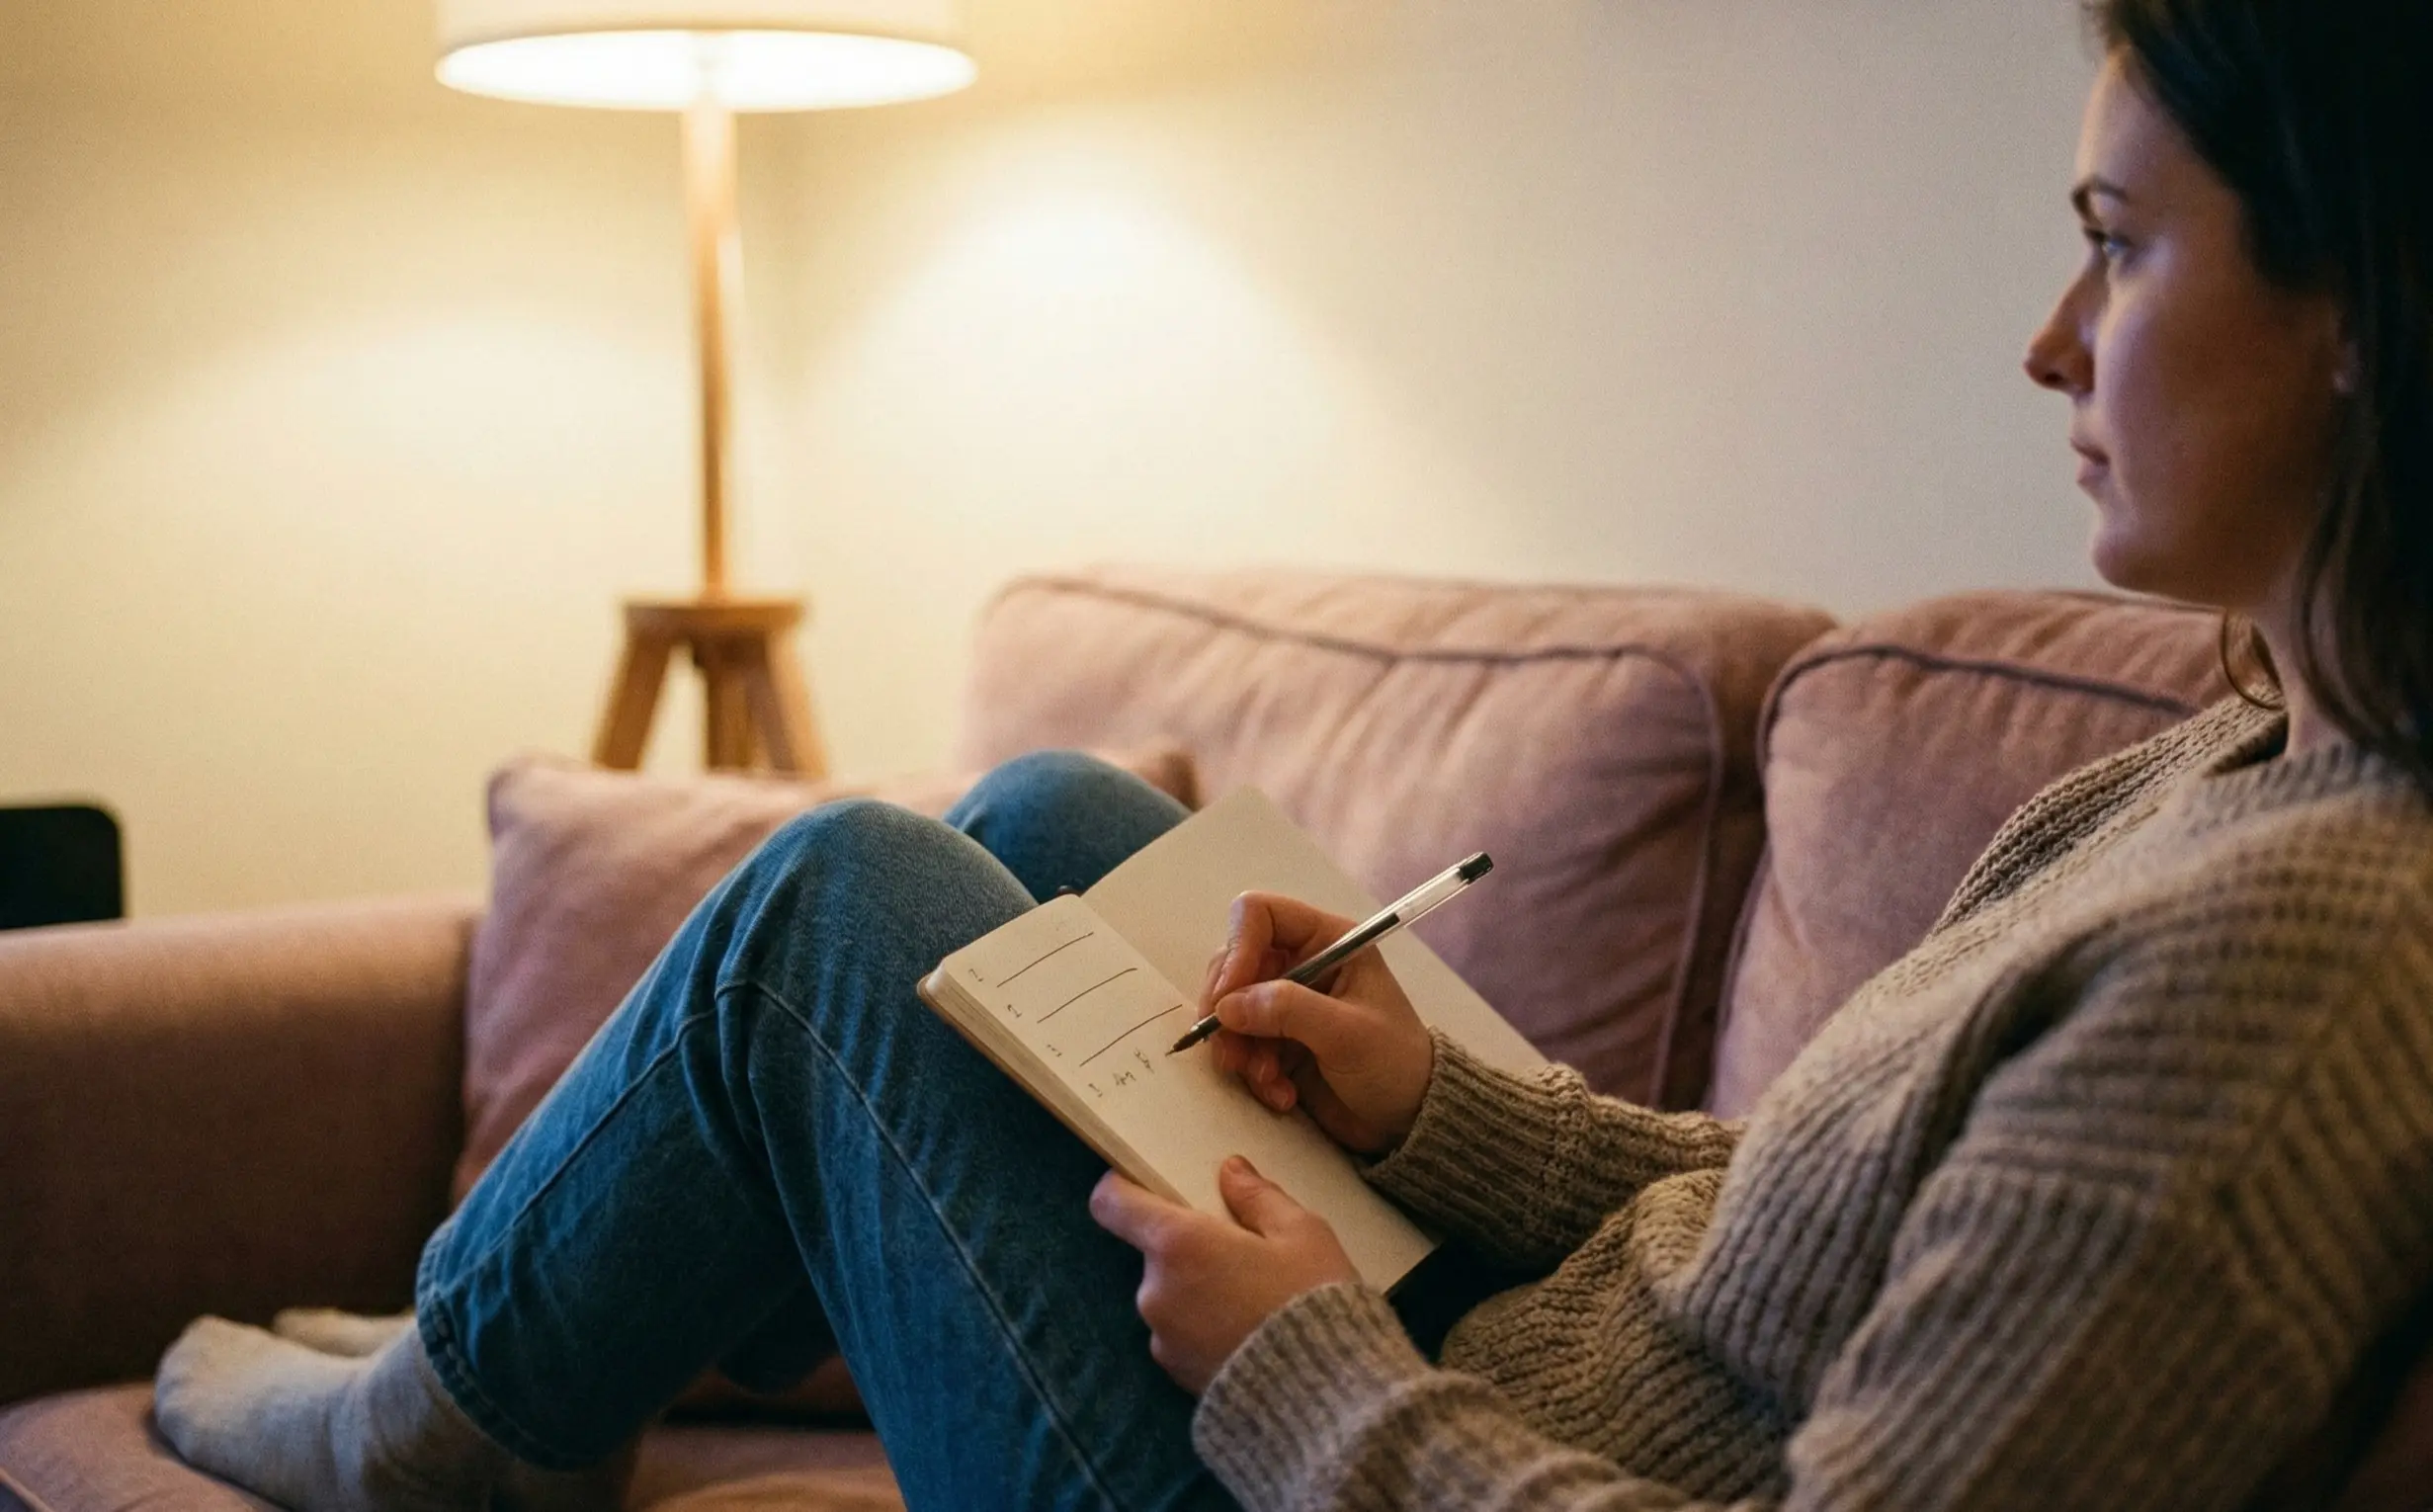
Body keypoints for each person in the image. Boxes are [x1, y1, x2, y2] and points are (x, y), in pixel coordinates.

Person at [153, 0, 2433, 1507]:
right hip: (1482, 1386)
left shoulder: (2288, 967)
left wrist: (1313, 1377)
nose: (2051, 343)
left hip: (1363, 1459)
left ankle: (455, 1418)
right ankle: (579, 1330)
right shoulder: (2220, 767)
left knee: (830, 908)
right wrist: (1429, 1104)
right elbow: (1790, 1225)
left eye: (2119, 253)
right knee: (1058, 824)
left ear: (2359, 311)